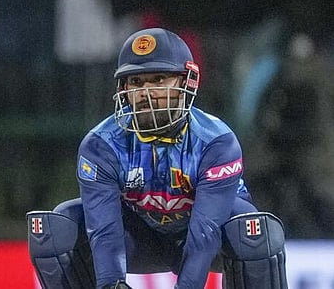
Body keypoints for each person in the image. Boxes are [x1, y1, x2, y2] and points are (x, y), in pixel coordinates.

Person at [26, 28, 287, 289]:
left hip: (208, 244)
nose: (146, 92)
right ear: (123, 89)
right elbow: (104, 231)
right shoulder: (100, 146)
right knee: (55, 228)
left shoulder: (217, 142)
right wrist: (111, 285)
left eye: (159, 79)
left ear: (187, 82)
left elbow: (204, 234)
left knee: (253, 229)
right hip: (140, 239)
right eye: (136, 82)